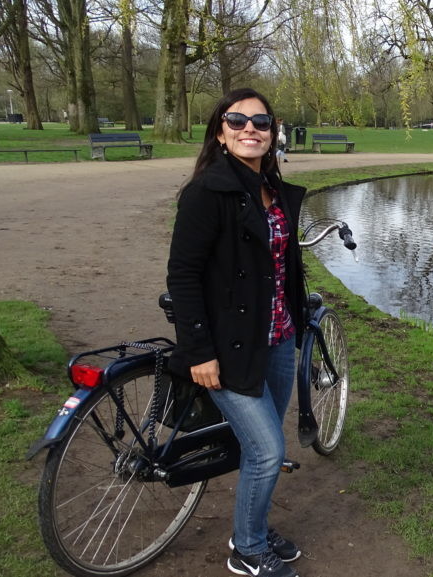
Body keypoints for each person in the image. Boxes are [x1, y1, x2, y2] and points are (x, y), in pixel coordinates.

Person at [166, 88, 306, 577]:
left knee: (259, 447)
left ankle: (254, 528)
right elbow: (183, 274)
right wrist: (199, 351)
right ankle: (246, 548)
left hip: (279, 339)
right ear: (221, 132)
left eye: (261, 122)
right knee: (269, 450)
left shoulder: (269, 187)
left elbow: (280, 266)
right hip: (228, 348)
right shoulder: (208, 192)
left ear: (274, 131)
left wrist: (299, 314)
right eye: (237, 119)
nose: (250, 128)